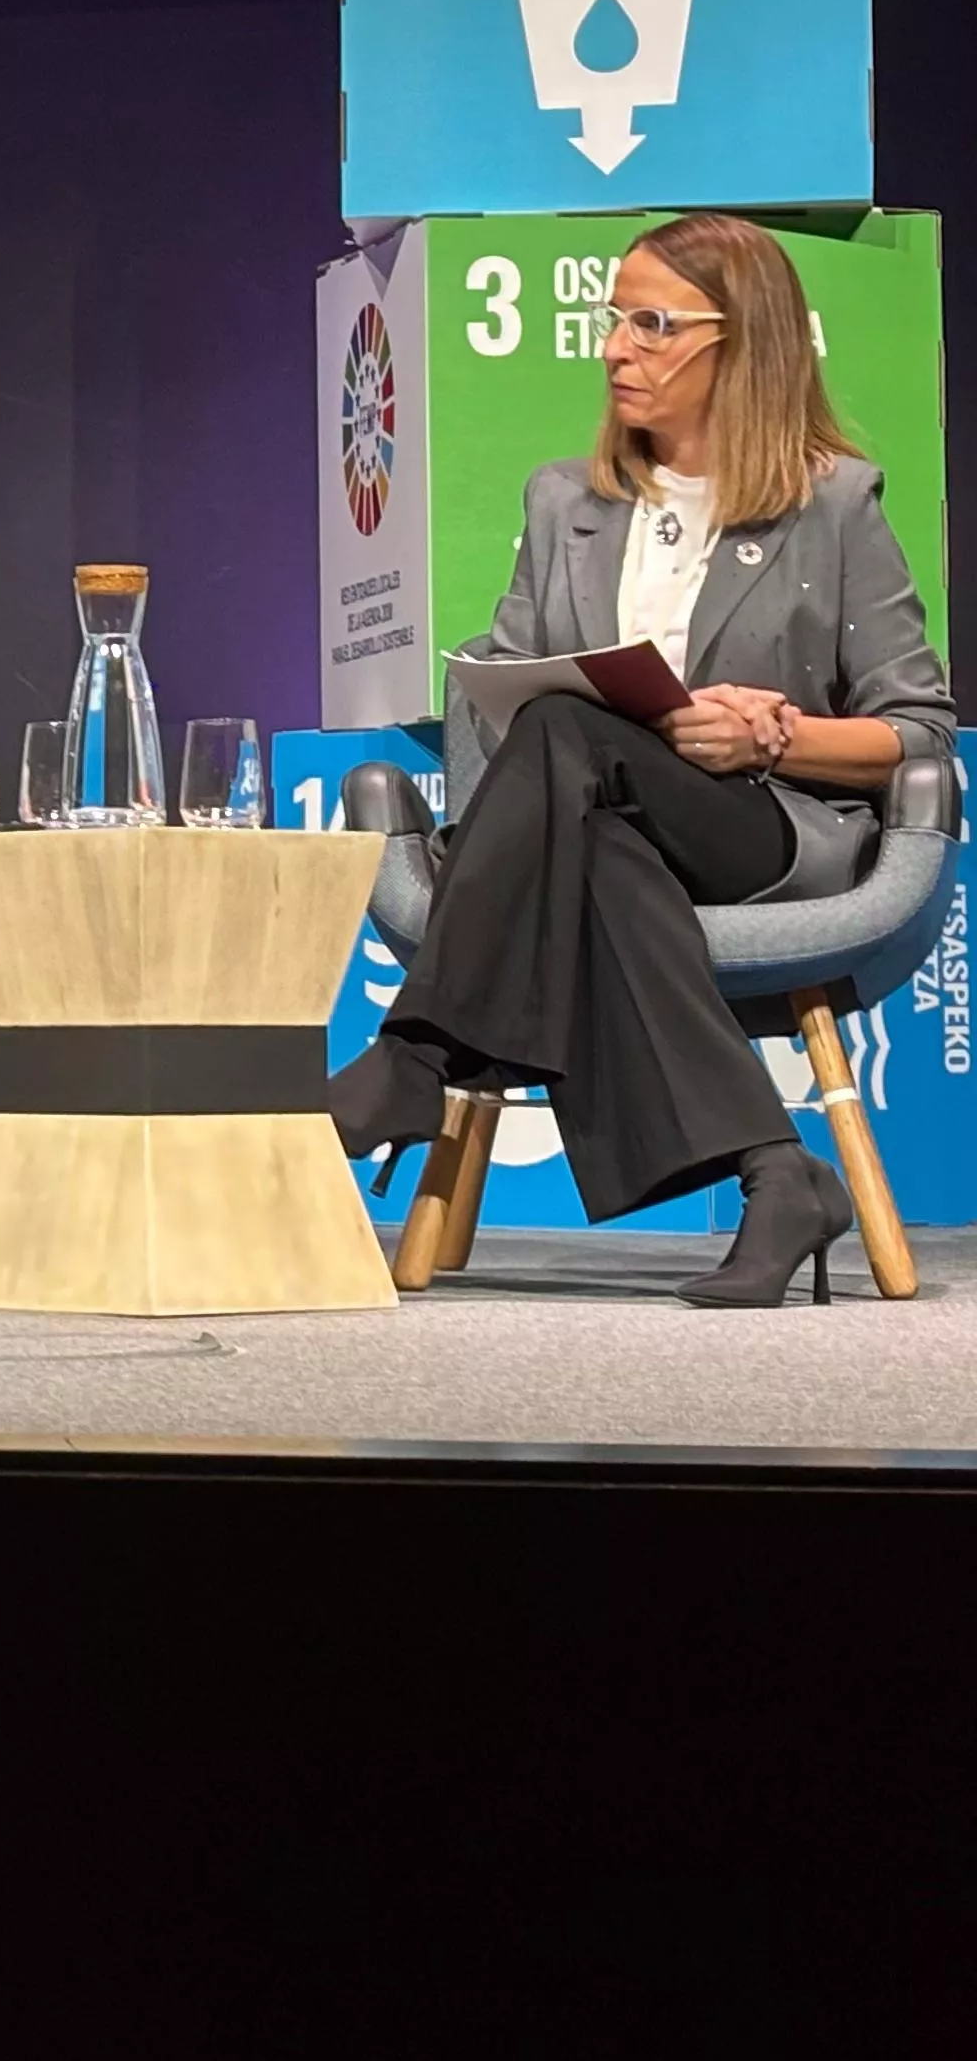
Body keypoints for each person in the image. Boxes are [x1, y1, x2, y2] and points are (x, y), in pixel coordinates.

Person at [333, 214, 952, 1308]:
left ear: (741, 343)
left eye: (652, 324)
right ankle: (779, 1175)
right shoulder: (564, 500)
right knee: (591, 815)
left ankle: (418, 1057)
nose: (617, 347)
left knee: (570, 738)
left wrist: (776, 734)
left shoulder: (835, 507)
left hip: (758, 826)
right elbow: (511, 692)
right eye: (614, 321)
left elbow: (918, 730)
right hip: (596, 823)